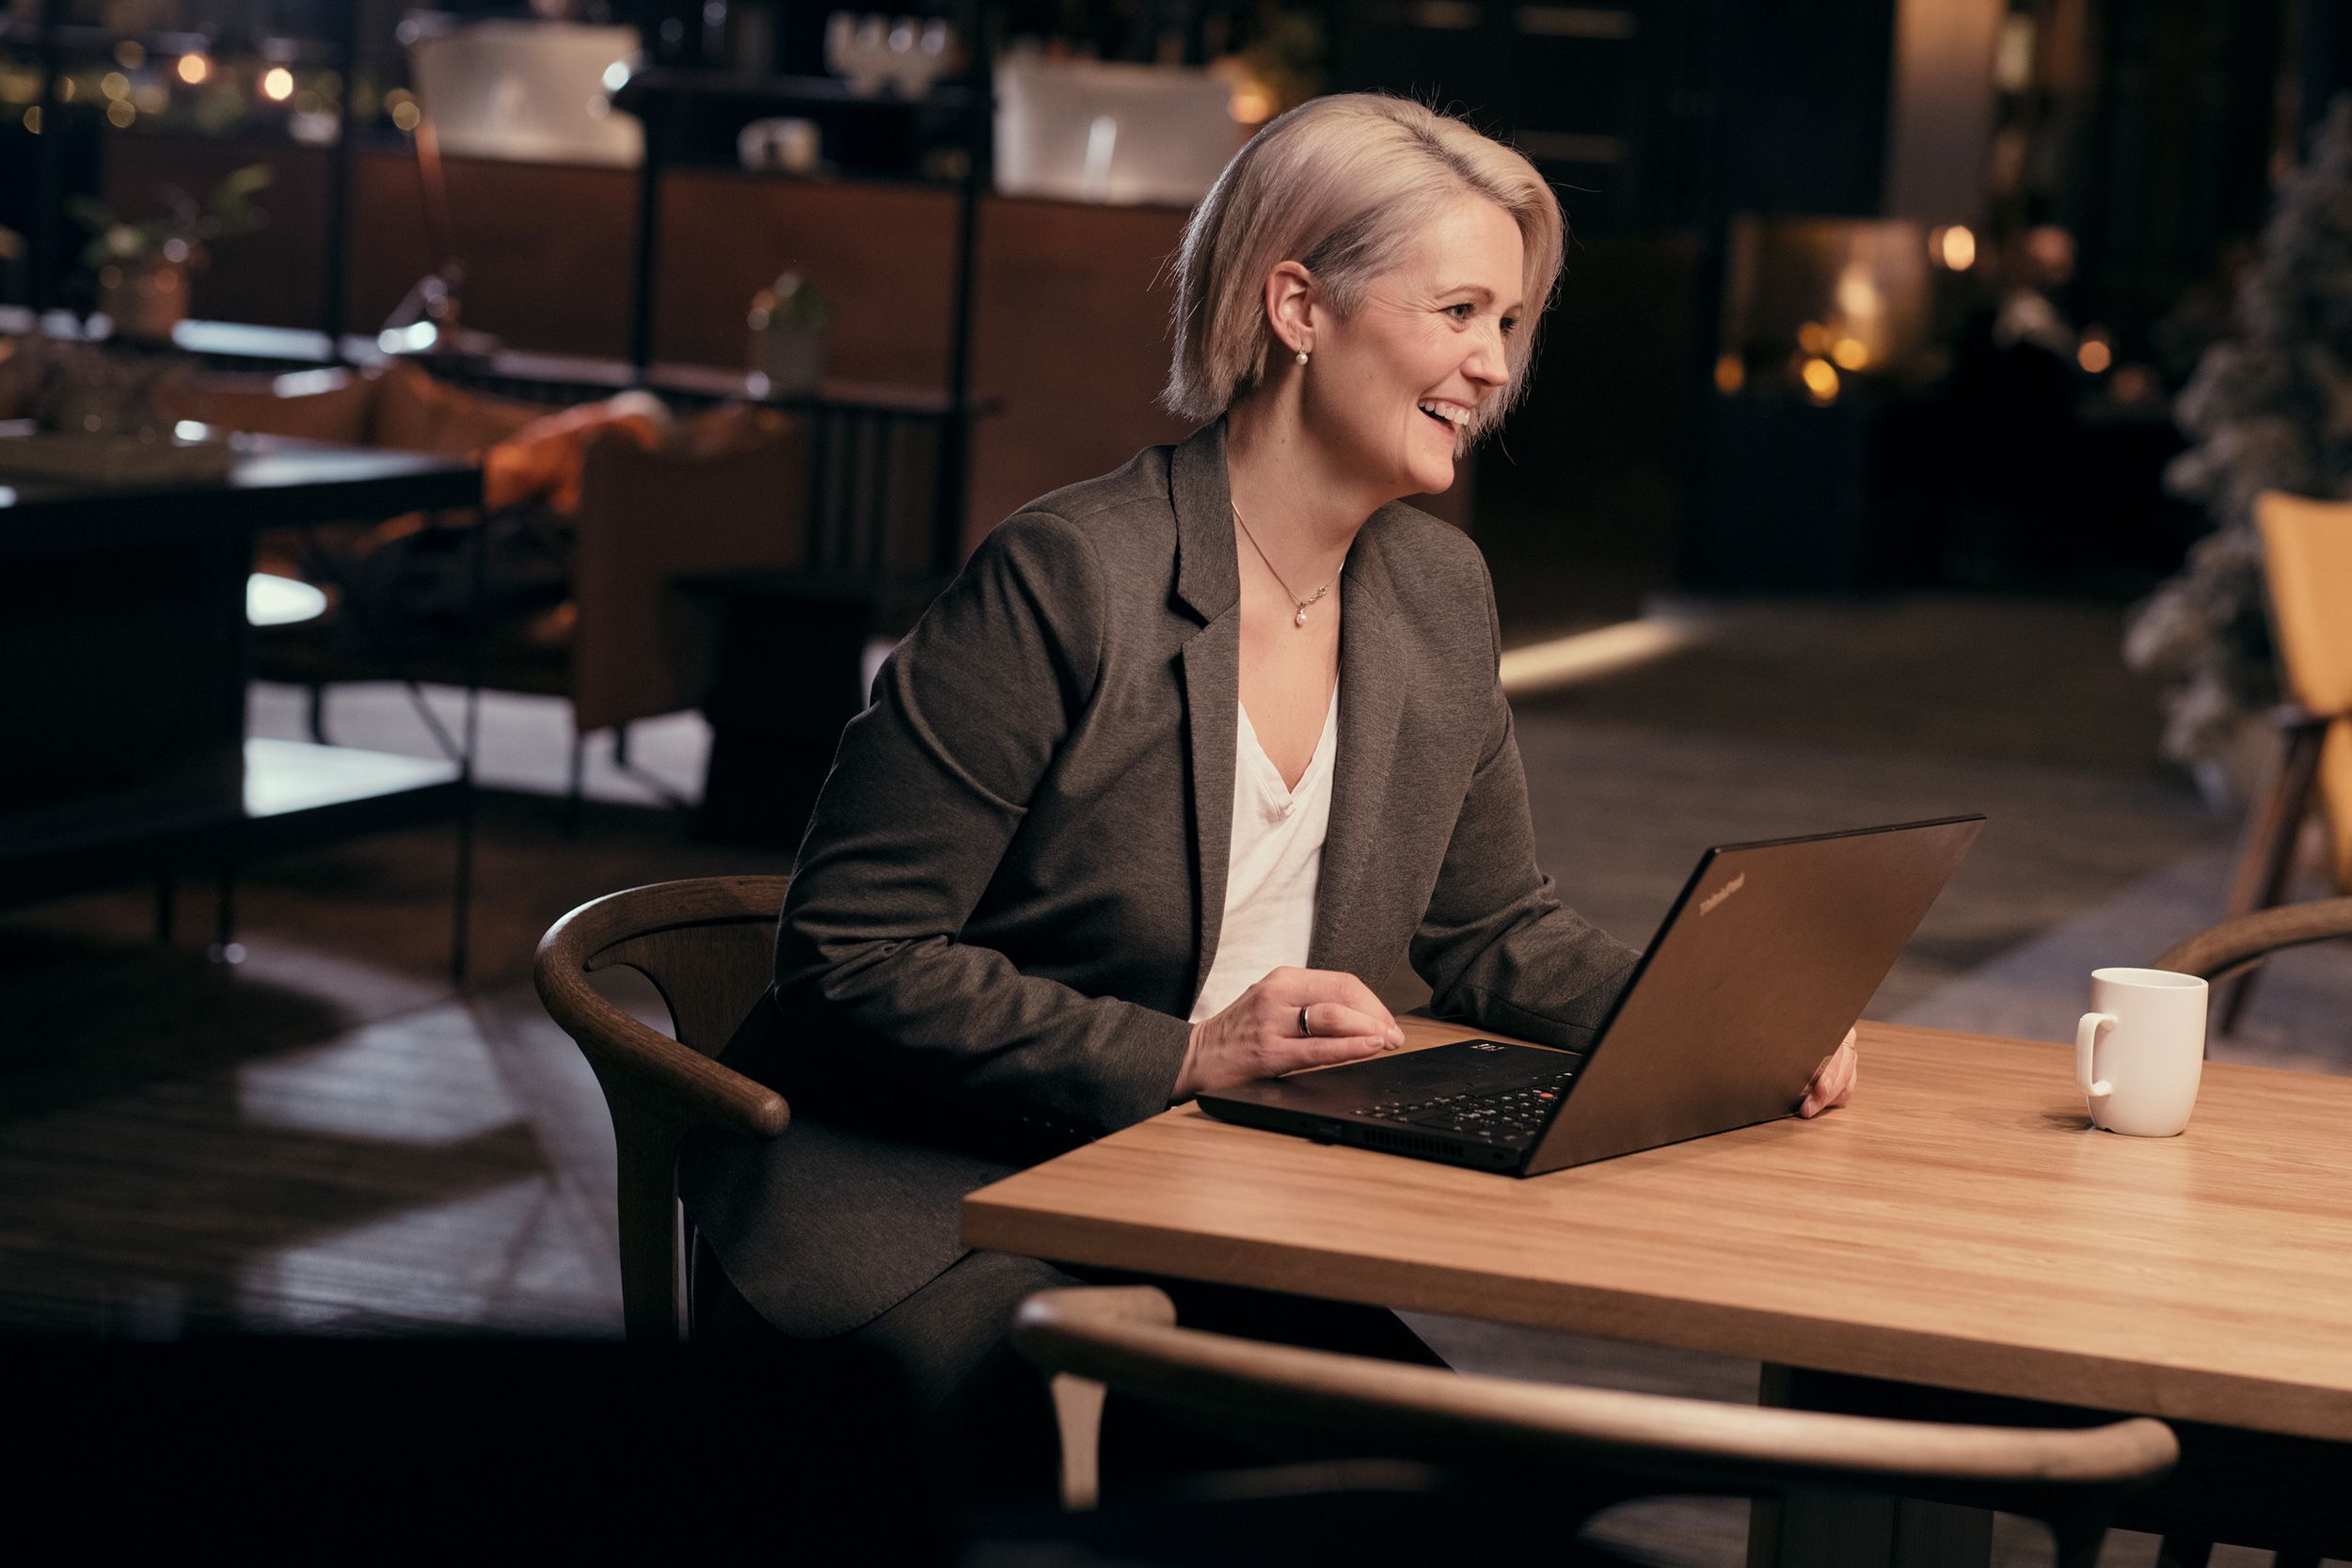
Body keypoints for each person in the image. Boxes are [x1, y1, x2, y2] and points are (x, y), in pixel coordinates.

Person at [680, 92, 1859, 1482]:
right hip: (952, 1214)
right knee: (1427, 1497)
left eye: (1511, 323)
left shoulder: (1436, 590)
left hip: (1230, 1204)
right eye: (1460, 311)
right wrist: (1181, 1058)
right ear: (1298, 306)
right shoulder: (1069, 578)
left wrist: (1719, 1024)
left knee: (1516, 1481)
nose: (1492, 366)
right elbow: (850, 958)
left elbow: (1490, 930)